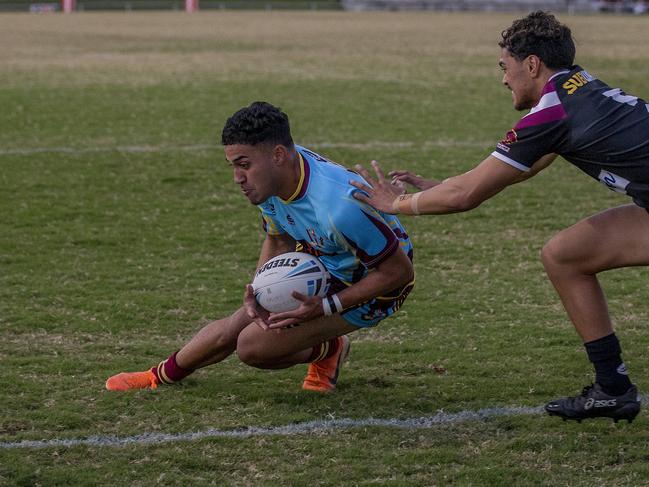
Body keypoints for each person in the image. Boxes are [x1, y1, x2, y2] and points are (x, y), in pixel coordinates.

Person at [351, 11, 648, 423]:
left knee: (565, 256)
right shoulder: (578, 86)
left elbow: (466, 197)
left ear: (531, 64)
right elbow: (515, 169)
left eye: (505, 67)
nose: (503, 79)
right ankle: (612, 388)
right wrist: (438, 187)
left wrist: (394, 205)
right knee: (565, 255)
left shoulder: (549, 113)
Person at [106, 102, 414, 394]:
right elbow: (278, 238)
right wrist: (260, 289)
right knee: (238, 324)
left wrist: (324, 307)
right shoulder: (271, 181)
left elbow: (398, 273)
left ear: (278, 155)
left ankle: (330, 347)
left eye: (243, 165)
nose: (237, 178)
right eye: (233, 165)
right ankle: (158, 376)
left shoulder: (339, 207)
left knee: (253, 347)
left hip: (373, 282)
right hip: (325, 254)